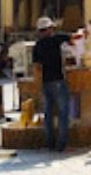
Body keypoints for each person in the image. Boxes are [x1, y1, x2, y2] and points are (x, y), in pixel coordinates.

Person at [32, 17, 80, 152]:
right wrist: (82, 35)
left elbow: (36, 67)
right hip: (58, 80)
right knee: (63, 113)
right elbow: (73, 37)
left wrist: (38, 83)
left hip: (45, 82)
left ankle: (49, 143)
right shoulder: (55, 39)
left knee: (48, 114)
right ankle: (61, 144)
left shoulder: (37, 46)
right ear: (48, 29)